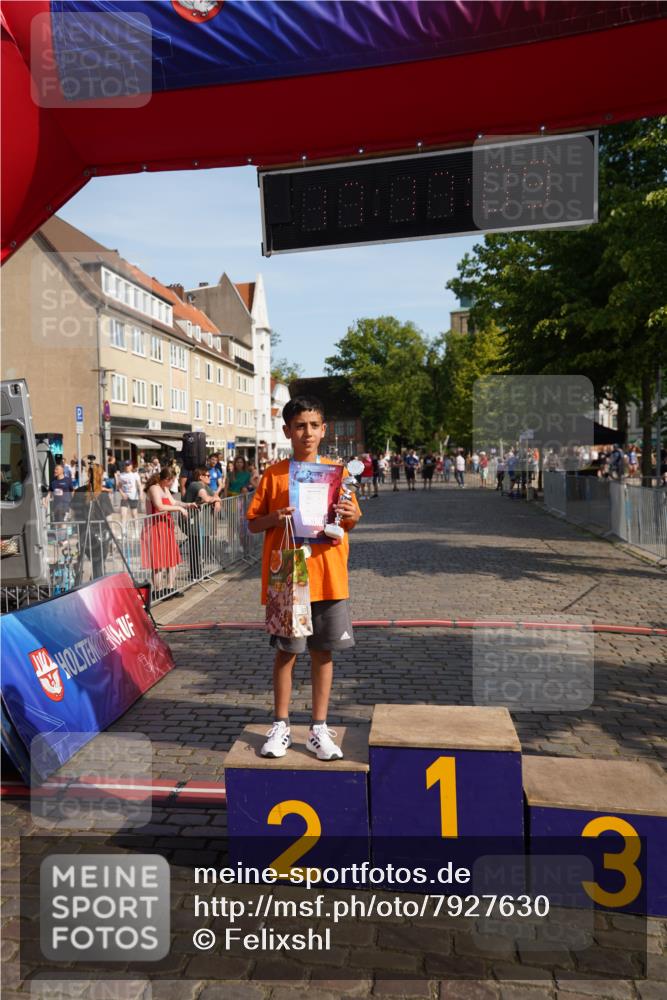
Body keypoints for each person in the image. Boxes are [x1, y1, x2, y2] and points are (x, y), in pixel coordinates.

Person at [246, 395, 361, 761]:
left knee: (323, 652)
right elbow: (252, 523)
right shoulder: (275, 474)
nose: (307, 433)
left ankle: (318, 727)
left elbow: (351, 519)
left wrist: (351, 513)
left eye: (313, 425)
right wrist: (275, 517)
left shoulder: (338, 473)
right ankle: (281, 724)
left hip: (329, 575)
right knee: (287, 653)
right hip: (290, 575)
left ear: (324, 430)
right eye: (299, 426)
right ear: (287, 431)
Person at [140, 466, 196, 599]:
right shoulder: (154, 488)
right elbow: (159, 506)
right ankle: (158, 590)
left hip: (166, 526)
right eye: (171, 481)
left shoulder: (164, 488)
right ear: (166, 479)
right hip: (155, 527)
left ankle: (169, 588)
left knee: (172, 558)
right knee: (158, 562)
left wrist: (187, 505)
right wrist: (179, 509)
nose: (172, 484)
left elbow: (173, 501)